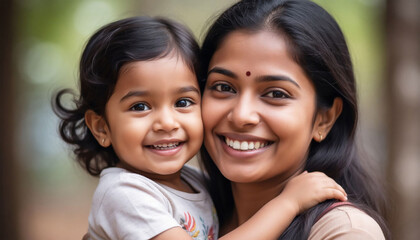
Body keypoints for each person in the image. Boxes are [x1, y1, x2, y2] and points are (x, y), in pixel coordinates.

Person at [53, 16, 347, 240]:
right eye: (140, 106)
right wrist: (288, 204)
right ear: (101, 127)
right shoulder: (126, 194)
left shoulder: (197, 184)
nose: (167, 123)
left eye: (183, 101)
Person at [199, 0, 391, 239]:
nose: (241, 115)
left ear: (324, 119)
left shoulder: (343, 232)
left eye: (276, 94)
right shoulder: (177, 211)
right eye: (224, 87)